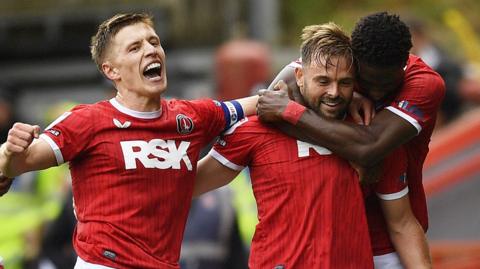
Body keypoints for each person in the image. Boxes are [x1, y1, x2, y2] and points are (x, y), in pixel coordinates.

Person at [0, 13, 258, 269]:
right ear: (111, 70)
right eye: (135, 47)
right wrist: (12, 151)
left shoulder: (191, 117)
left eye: (154, 42)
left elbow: (259, 103)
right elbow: (17, 164)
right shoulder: (88, 121)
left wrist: (295, 78)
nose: (151, 50)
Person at [194, 22, 407, 268]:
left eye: (345, 83)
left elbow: (403, 222)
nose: (334, 92)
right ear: (299, 76)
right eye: (323, 81)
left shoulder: (367, 134)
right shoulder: (256, 128)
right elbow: (189, 185)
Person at [257, 12, 445, 268]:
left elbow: (369, 146)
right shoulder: (339, 63)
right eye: (366, 82)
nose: (376, 92)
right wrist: (347, 104)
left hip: (387, 241)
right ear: (355, 60)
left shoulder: (424, 83)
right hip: (324, 242)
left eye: (387, 85)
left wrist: (291, 113)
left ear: (403, 65)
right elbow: (273, 100)